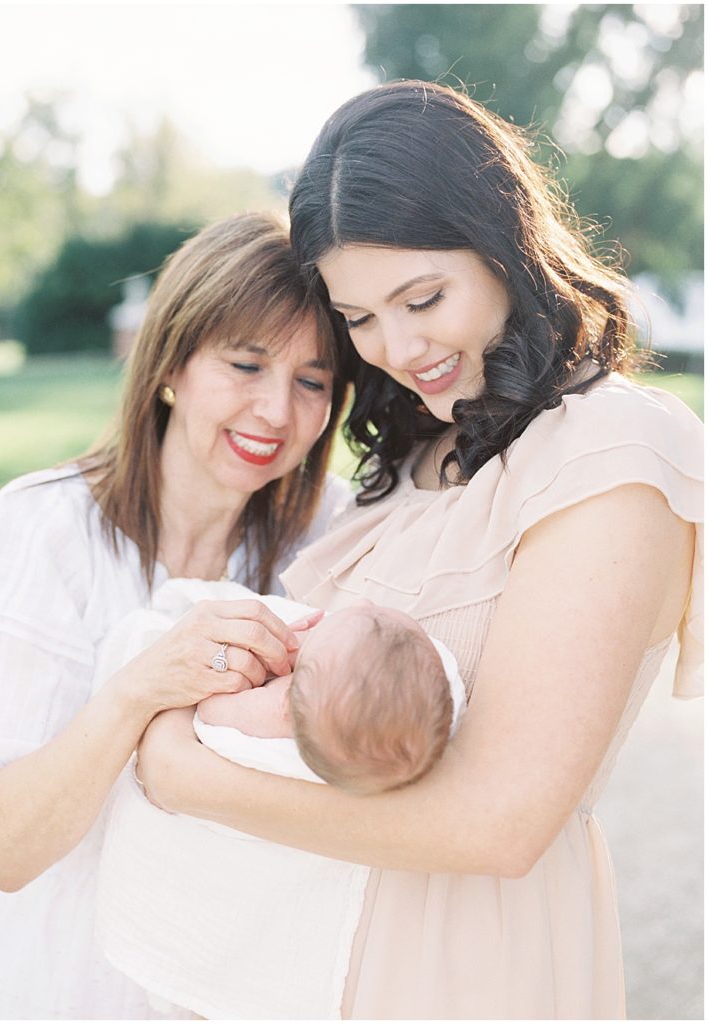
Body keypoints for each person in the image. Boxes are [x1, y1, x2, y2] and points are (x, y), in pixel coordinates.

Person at [136, 81, 704, 1020]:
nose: (395, 347)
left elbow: (501, 824)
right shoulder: (414, 446)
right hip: (298, 957)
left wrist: (185, 775)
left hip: (462, 965)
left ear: (502, 244)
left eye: (421, 297)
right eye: (357, 319)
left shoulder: (607, 457)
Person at [0, 212, 353, 1020]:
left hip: (224, 986)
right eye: (245, 364)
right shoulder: (42, 529)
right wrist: (137, 691)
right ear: (169, 363)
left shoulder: (329, 539)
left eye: (312, 381)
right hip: (46, 985)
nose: (275, 411)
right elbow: (7, 847)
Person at [93, 578, 466, 1018]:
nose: (361, 602)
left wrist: (259, 673)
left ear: (288, 706)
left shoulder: (280, 715)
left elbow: (212, 714)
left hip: (220, 882)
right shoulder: (377, 719)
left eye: (321, 631)